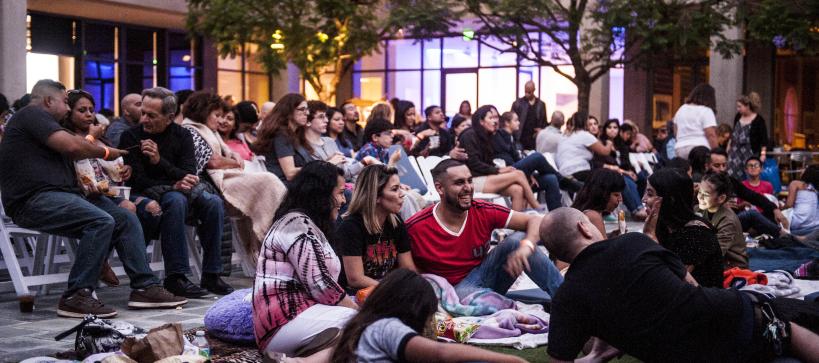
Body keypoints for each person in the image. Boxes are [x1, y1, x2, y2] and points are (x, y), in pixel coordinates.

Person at [0, 80, 186, 317]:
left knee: (126, 218)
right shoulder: (31, 115)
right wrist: (107, 151)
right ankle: (76, 295)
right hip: (33, 200)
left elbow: (75, 152)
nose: (68, 109)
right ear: (48, 101)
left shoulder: (48, 125)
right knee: (100, 221)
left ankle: (144, 287)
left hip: (66, 194)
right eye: (65, 102)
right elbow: (73, 147)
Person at [539, 207, 819, 363]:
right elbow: (691, 285)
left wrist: (595, 359)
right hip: (733, 322)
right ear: (585, 228)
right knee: (789, 324)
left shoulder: (567, 298)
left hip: (685, 354)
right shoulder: (633, 242)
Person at [119, 87, 233, 298]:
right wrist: (172, 182)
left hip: (182, 190)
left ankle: (211, 274)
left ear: (170, 117)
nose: (144, 119)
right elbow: (137, 180)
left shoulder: (183, 135)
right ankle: (175, 276)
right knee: (176, 200)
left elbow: (189, 172)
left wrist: (158, 160)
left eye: (151, 115)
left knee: (214, 203)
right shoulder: (131, 136)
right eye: (143, 112)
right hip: (150, 194)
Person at [406, 159, 563, 299]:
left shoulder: (482, 210)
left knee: (519, 240)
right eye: (459, 183)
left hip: (483, 278)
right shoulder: (416, 226)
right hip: (450, 294)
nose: (468, 188)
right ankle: (497, 305)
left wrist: (527, 246)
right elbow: (406, 274)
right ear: (440, 188)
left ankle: (568, 299)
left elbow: (535, 220)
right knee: (463, 294)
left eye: (470, 181)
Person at [253, 161, 359, 355]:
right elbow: (321, 286)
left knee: (357, 330)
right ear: (321, 194)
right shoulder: (295, 224)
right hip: (281, 322)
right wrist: (358, 309)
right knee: (359, 322)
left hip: (302, 316)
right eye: (340, 192)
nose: (344, 201)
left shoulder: (310, 224)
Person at [63, 89, 163, 286]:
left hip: (113, 191)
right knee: (128, 208)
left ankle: (117, 259)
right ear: (69, 112)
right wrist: (91, 137)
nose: (89, 114)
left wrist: (126, 169)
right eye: (82, 110)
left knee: (153, 208)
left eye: (91, 109)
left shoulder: (101, 137)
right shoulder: (67, 138)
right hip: (87, 195)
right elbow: (77, 156)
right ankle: (132, 273)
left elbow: (111, 168)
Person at [331, 269, 526, 363]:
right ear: (413, 309)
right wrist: (511, 360)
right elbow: (441, 353)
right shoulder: (385, 328)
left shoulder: (362, 327)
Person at [181, 91, 287, 264]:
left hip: (225, 178)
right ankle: (277, 237)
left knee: (269, 182)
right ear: (202, 112)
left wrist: (231, 158)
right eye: (216, 115)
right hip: (213, 185)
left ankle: (277, 235)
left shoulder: (208, 131)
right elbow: (212, 162)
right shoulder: (190, 130)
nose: (220, 120)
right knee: (268, 181)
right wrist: (233, 161)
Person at [337, 165, 416, 290]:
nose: (402, 194)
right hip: (360, 295)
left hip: (388, 288)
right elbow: (355, 279)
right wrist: (393, 289)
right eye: (395, 189)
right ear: (376, 195)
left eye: (400, 188)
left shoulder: (396, 222)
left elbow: (408, 268)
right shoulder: (350, 227)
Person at [642, 168, 723, 288]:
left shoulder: (698, 233)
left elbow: (672, 280)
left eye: (649, 194)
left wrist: (650, 237)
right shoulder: (664, 224)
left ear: (671, 200)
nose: (643, 199)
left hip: (700, 300)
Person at [557, 112, 646, 220]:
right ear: (585, 123)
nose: (593, 126)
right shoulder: (585, 136)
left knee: (625, 179)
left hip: (567, 172)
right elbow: (604, 152)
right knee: (612, 178)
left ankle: (637, 208)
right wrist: (609, 143)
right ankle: (626, 211)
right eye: (590, 124)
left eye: (595, 124)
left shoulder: (568, 135)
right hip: (577, 171)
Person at [458, 105, 541, 211]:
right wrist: (498, 170)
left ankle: (516, 225)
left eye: (496, 118)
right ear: (481, 121)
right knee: (518, 174)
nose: (495, 121)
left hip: (484, 178)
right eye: (491, 118)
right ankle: (537, 208)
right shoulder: (469, 135)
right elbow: (474, 163)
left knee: (517, 190)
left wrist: (502, 170)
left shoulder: (486, 136)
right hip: (470, 181)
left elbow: (488, 162)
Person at [494, 111, 570, 210]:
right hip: (507, 174)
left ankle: (556, 216)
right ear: (507, 123)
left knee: (551, 179)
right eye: (516, 120)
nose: (519, 123)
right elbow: (506, 161)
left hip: (518, 174)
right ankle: (564, 181)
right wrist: (526, 173)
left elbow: (517, 159)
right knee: (537, 156)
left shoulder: (512, 138)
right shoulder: (499, 136)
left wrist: (528, 174)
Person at [709, 148, 790, 235]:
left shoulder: (729, 181)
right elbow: (698, 209)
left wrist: (775, 209)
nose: (721, 169)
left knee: (769, 210)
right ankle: (784, 235)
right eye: (717, 166)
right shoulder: (704, 182)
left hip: (734, 220)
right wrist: (718, 205)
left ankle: (773, 234)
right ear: (707, 165)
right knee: (751, 215)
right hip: (715, 223)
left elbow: (753, 196)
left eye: (724, 165)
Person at [305, 100, 377, 180]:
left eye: (326, 117)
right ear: (308, 121)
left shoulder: (329, 141)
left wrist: (365, 161)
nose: (326, 120)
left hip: (342, 187)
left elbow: (345, 172)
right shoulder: (302, 146)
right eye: (321, 117)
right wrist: (329, 163)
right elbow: (311, 178)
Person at [254, 93, 311, 182]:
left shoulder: (295, 134)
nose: (307, 113)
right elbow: (290, 173)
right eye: (302, 109)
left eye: (307, 109)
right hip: (285, 189)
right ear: (288, 111)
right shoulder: (281, 135)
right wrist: (317, 168)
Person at [697, 172, 749, 269]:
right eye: (700, 192)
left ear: (721, 198)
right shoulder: (700, 209)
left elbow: (715, 254)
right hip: (710, 255)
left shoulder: (728, 220)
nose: (700, 197)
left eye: (706, 194)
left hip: (732, 265)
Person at [570, 168, 625, 237]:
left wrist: (612, 236)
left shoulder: (588, 212)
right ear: (602, 194)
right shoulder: (593, 215)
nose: (620, 199)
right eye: (616, 195)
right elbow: (603, 247)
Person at [728, 92, 769, 179]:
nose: (738, 109)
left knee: (749, 175)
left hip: (750, 152)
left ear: (747, 106)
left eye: (740, 106)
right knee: (732, 175)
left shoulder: (759, 120)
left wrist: (763, 154)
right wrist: (728, 147)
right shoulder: (738, 117)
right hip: (735, 152)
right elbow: (733, 133)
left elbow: (764, 139)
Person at [673, 83, 719, 159]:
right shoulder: (706, 111)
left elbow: (675, 130)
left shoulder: (681, 109)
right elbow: (711, 135)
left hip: (680, 147)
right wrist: (716, 151)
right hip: (700, 148)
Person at [511, 80, 547, 150]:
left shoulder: (540, 104)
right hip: (520, 137)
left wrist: (541, 130)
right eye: (526, 92)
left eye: (529, 92)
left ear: (534, 90)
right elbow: (511, 119)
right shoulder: (518, 103)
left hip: (535, 138)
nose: (527, 94)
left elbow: (544, 121)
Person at [786, 165, 819, 239]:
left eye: (804, 168)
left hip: (798, 223)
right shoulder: (816, 188)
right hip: (815, 225)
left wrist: (780, 207)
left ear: (808, 172)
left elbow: (789, 205)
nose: (801, 169)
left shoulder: (795, 183)